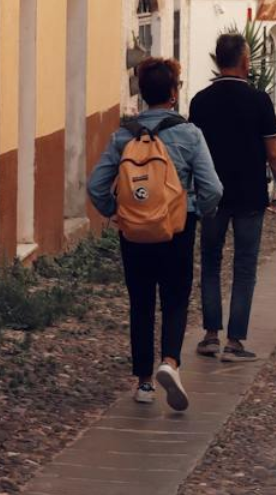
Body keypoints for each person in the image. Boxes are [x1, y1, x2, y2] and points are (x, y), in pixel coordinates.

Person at [87, 57, 222, 410]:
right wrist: (198, 210)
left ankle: (144, 383)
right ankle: (170, 362)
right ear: (174, 93)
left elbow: (97, 186)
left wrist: (116, 213)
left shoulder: (123, 136)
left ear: (143, 94)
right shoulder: (190, 134)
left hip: (134, 231)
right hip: (177, 227)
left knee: (141, 301)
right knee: (175, 297)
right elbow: (213, 188)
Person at [189, 33, 276, 361]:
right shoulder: (259, 101)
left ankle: (210, 335)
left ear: (217, 60)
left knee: (210, 261)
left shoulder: (200, 101)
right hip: (249, 194)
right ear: (245, 61)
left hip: (211, 195)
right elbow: (274, 155)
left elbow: (194, 152)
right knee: (245, 265)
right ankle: (235, 342)